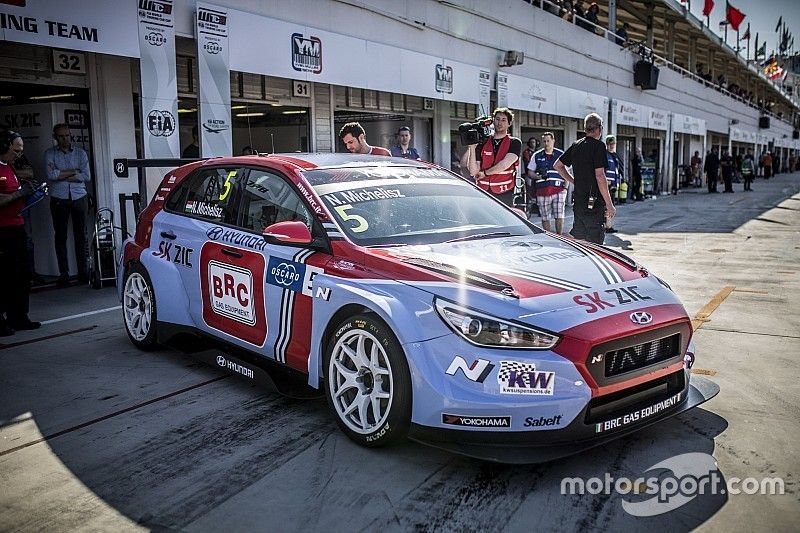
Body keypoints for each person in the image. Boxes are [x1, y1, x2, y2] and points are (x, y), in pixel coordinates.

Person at [0, 130, 41, 334]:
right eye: (16, 150)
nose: (18, 154)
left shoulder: (9, 167)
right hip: (2, 230)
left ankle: (19, 316)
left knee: (21, 275)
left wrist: (30, 193)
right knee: (4, 276)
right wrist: (20, 193)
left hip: (17, 226)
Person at [553, 113, 615, 244]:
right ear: (600, 129)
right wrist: (609, 204)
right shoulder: (599, 146)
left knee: (580, 241)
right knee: (595, 244)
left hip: (579, 202)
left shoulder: (576, 145)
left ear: (585, 128)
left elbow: (558, 166)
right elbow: (600, 175)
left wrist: (573, 180)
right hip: (594, 202)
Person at [44, 123, 91, 286]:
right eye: (61, 136)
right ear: (55, 137)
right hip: (59, 197)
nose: (65, 139)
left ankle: (83, 271)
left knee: (81, 235)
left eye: (67, 135)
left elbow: (86, 175)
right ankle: (64, 273)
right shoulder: (50, 153)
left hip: (79, 196)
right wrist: (74, 171)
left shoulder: (80, 153)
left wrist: (62, 174)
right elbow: (51, 174)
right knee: (61, 236)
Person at [461, 107, 522, 207]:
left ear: (509, 123)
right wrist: (472, 148)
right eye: (497, 119)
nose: (499, 122)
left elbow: (504, 165)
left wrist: (485, 173)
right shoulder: (483, 142)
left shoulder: (514, 142)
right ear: (493, 121)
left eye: (503, 120)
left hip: (504, 193)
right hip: (483, 192)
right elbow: (473, 171)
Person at [528, 132, 566, 234]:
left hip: (559, 190)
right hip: (542, 190)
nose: (546, 143)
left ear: (553, 141)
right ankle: (548, 236)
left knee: (559, 215)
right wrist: (537, 176)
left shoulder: (561, 154)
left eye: (548, 141)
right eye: (544, 141)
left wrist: (566, 187)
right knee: (545, 216)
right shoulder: (536, 155)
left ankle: (560, 236)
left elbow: (567, 171)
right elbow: (530, 171)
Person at [604, 135, 622, 233]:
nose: (611, 146)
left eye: (613, 144)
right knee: (606, 206)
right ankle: (607, 226)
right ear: (607, 144)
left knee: (611, 205)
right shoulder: (605, 155)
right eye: (610, 144)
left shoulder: (614, 156)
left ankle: (608, 225)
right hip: (606, 185)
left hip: (613, 185)